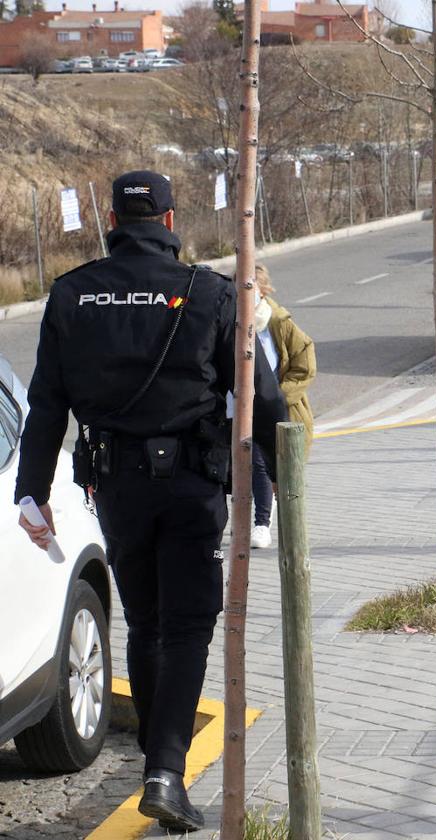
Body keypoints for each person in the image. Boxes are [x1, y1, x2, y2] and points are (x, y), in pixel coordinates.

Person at [15, 171, 288, 833]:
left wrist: (31, 492)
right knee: (190, 626)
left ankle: (154, 758)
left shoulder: (71, 295)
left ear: (112, 219)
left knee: (145, 621)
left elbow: (46, 403)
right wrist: (277, 492)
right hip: (193, 485)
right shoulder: (211, 294)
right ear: (170, 222)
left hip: (115, 489)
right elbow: (268, 399)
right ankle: (166, 770)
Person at [248, 264, 317, 550]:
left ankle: (263, 523)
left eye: (248, 286)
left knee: (270, 465)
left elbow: (305, 363)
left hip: (279, 408)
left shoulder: (277, 321)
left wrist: (277, 396)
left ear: (262, 290)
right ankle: (258, 519)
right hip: (241, 408)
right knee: (252, 462)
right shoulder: (230, 321)